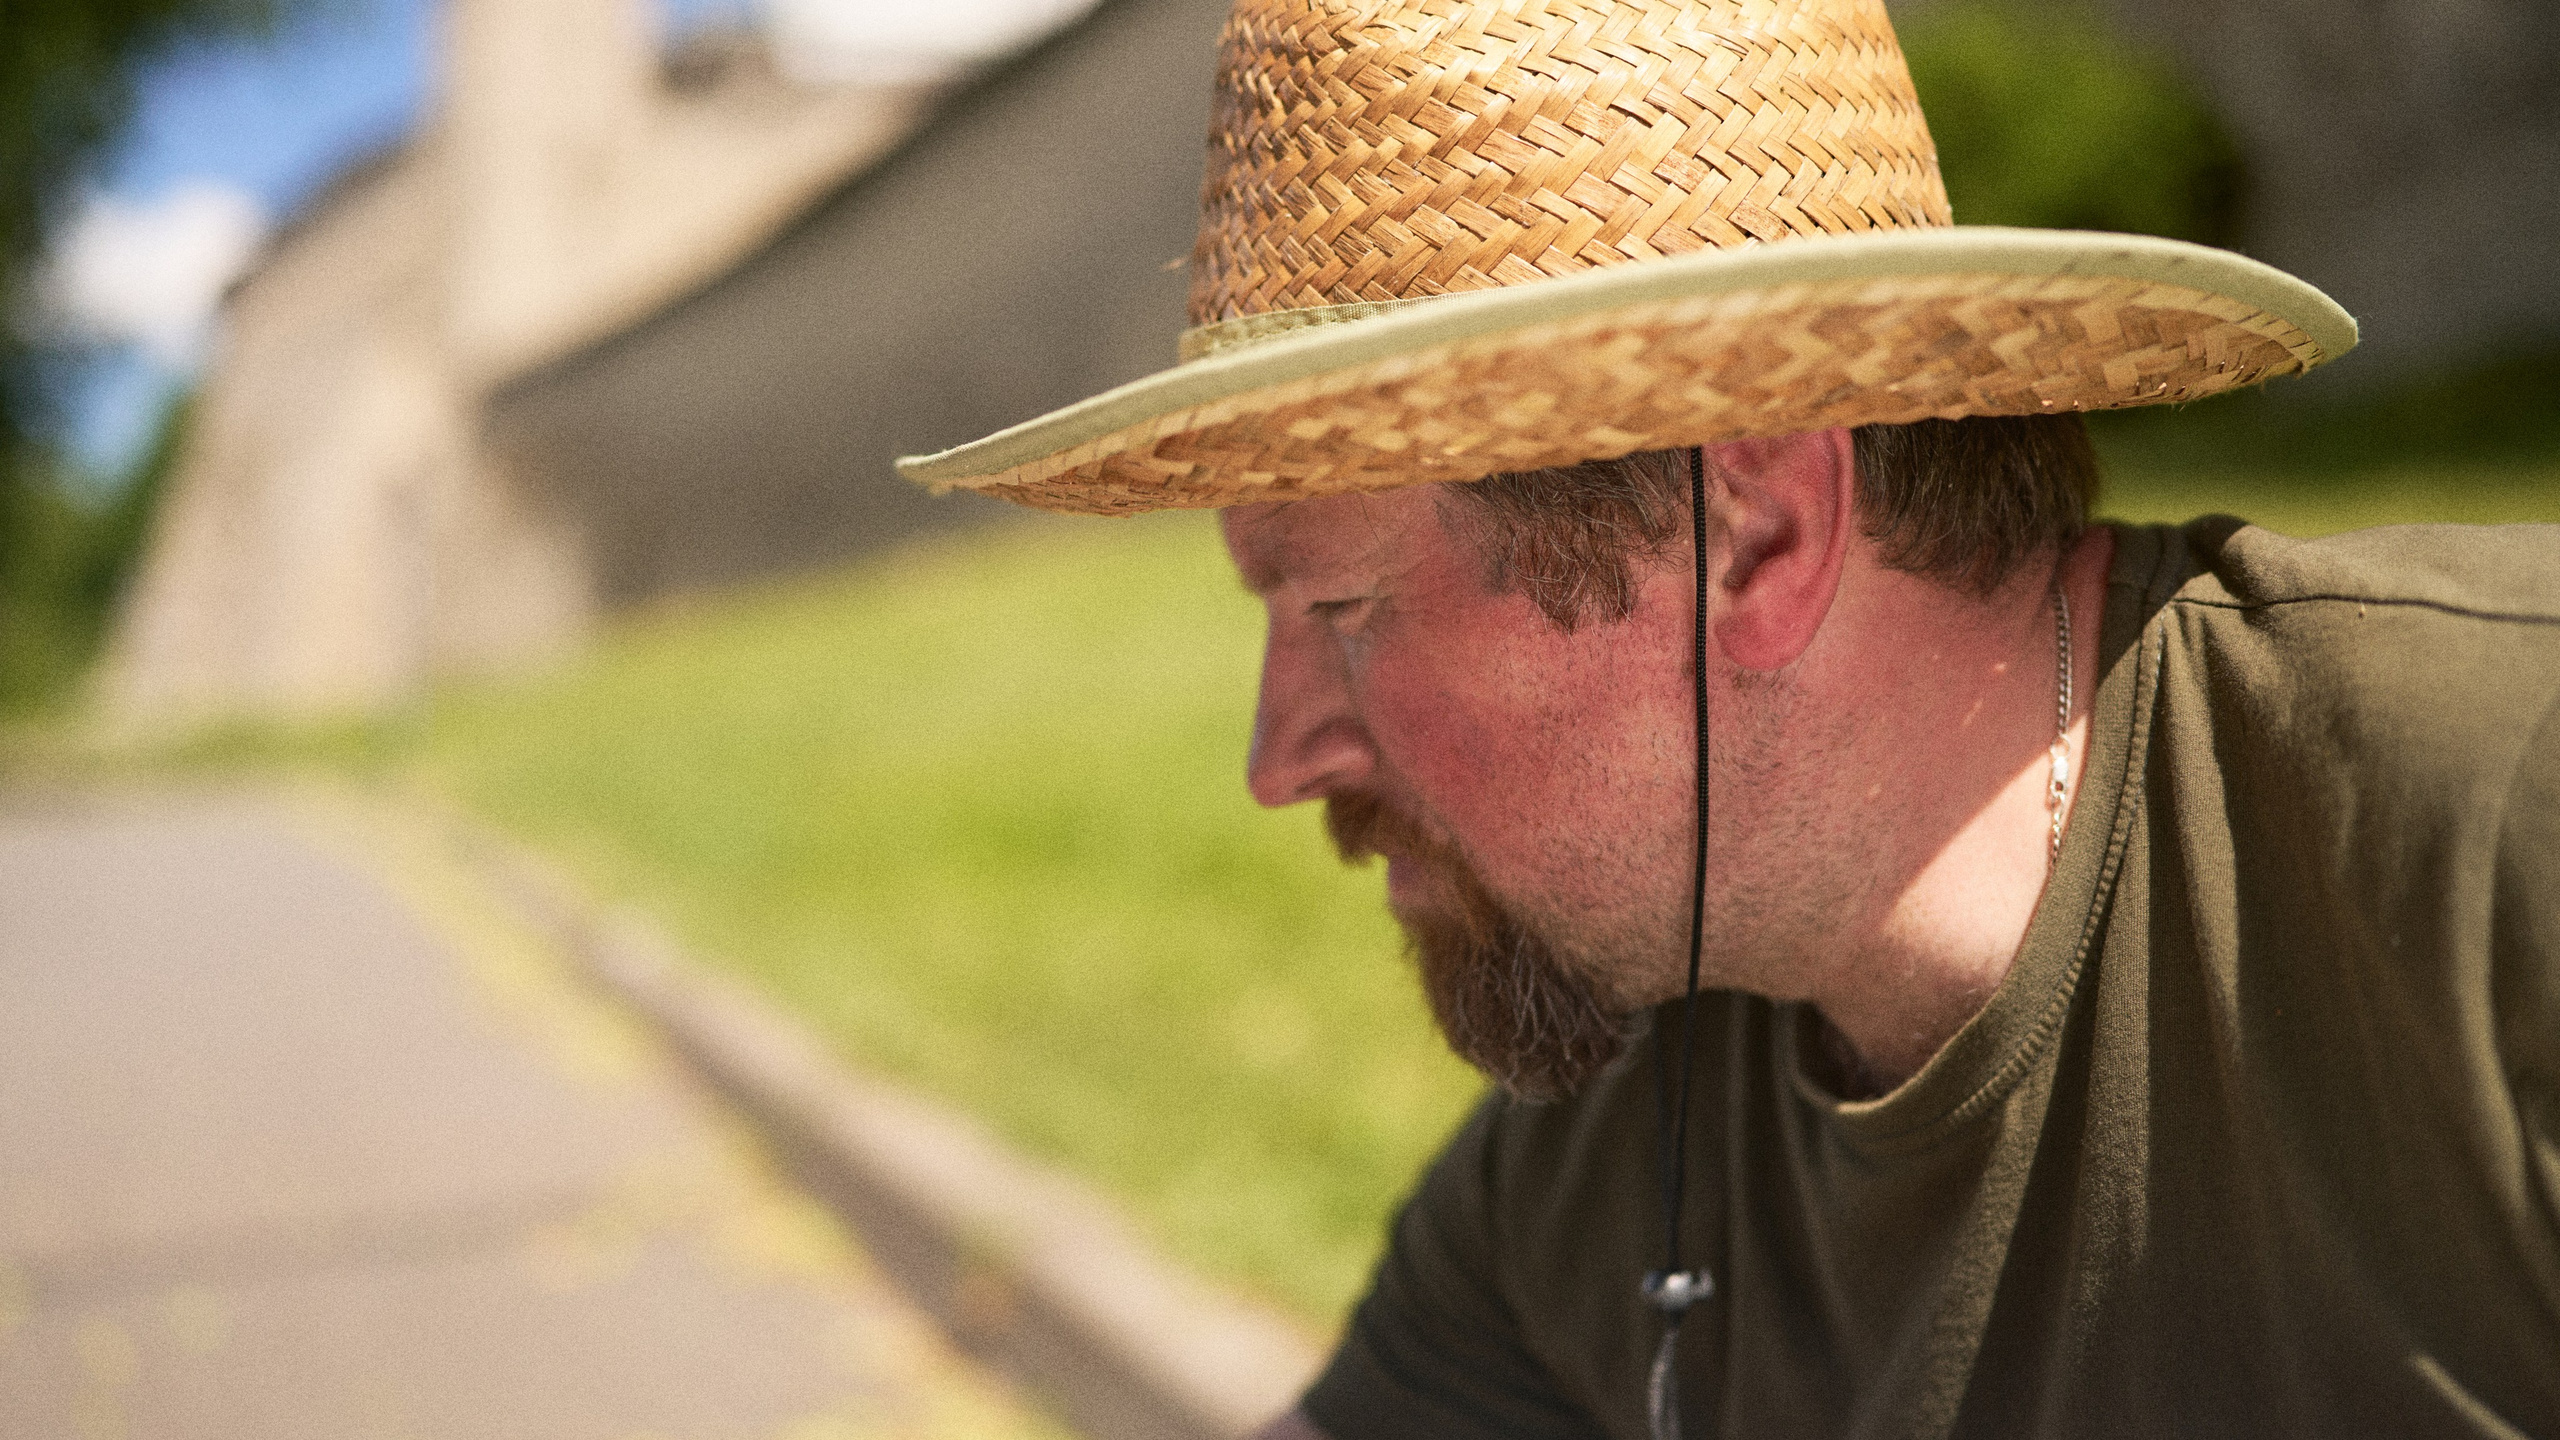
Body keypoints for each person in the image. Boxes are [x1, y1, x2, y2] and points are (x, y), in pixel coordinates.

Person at [899, 0, 2560, 1434]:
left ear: (1756, 533)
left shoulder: (2495, 816)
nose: (1281, 762)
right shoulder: (1608, 1154)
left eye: (1340, 608)